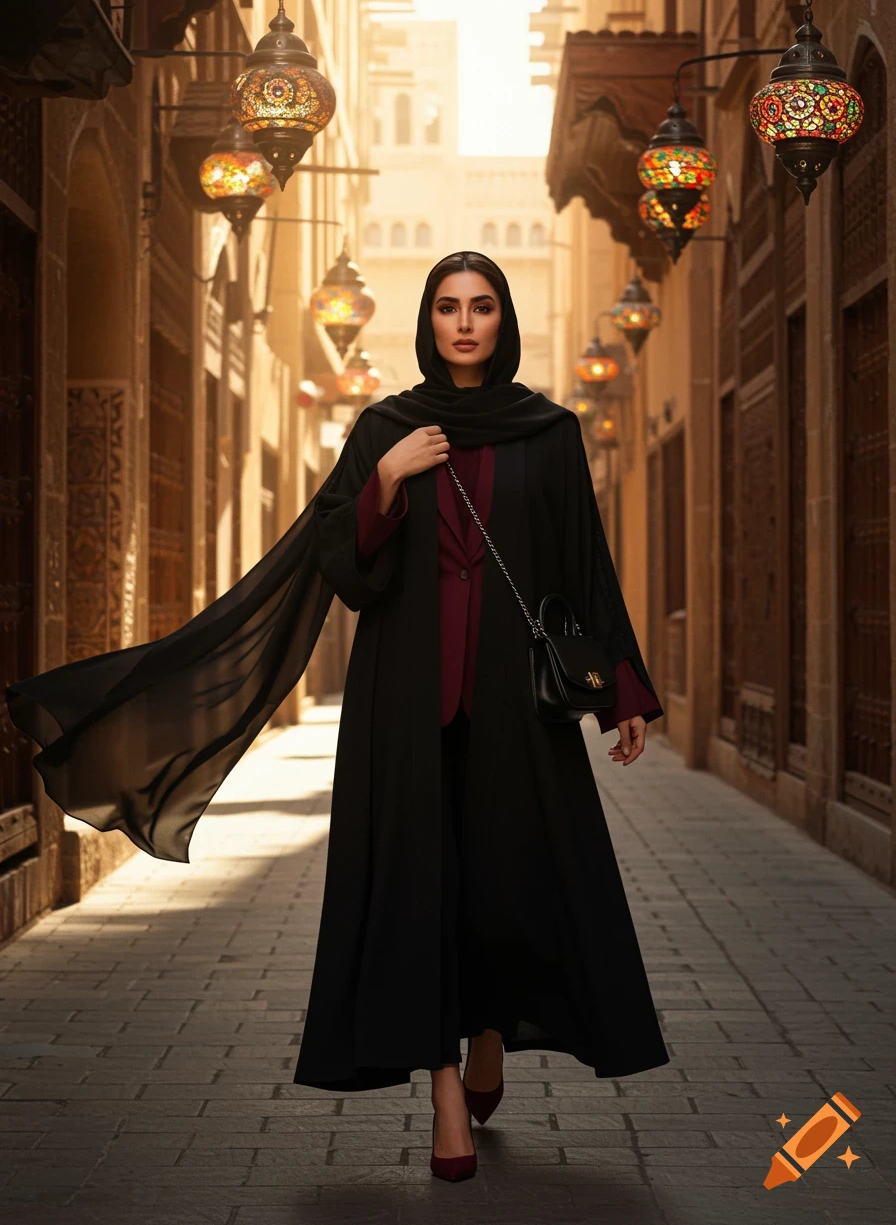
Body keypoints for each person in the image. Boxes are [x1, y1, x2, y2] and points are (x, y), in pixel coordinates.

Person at [6, 251, 669, 1186]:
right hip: (406, 704)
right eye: (448, 307)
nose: (465, 323)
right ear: (428, 322)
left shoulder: (548, 433)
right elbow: (344, 569)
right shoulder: (386, 427)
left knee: (513, 880)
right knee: (417, 889)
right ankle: (445, 1096)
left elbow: (584, 565)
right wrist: (386, 483)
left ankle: (488, 1031)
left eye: (482, 307)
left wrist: (622, 699)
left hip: (518, 709)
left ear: (503, 319)